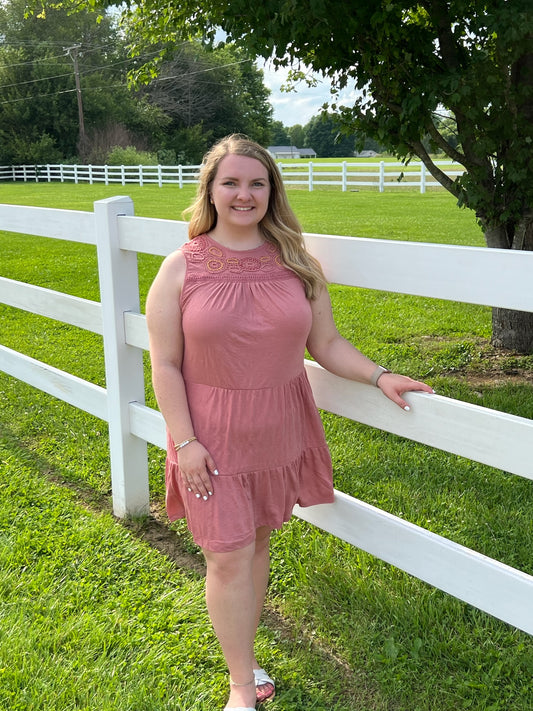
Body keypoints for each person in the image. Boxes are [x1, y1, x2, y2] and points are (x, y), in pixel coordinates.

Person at [146, 134, 434, 710]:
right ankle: (240, 689)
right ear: (210, 189)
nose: (244, 194)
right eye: (231, 182)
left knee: (254, 547)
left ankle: (244, 656)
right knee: (226, 556)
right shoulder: (182, 266)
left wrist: (380, 375)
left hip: (278, 428)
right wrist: (186, 442)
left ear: (272, 190)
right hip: (210, 437)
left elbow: (325, 343)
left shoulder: (296, 260)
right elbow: (166, 364)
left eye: (257, 183)